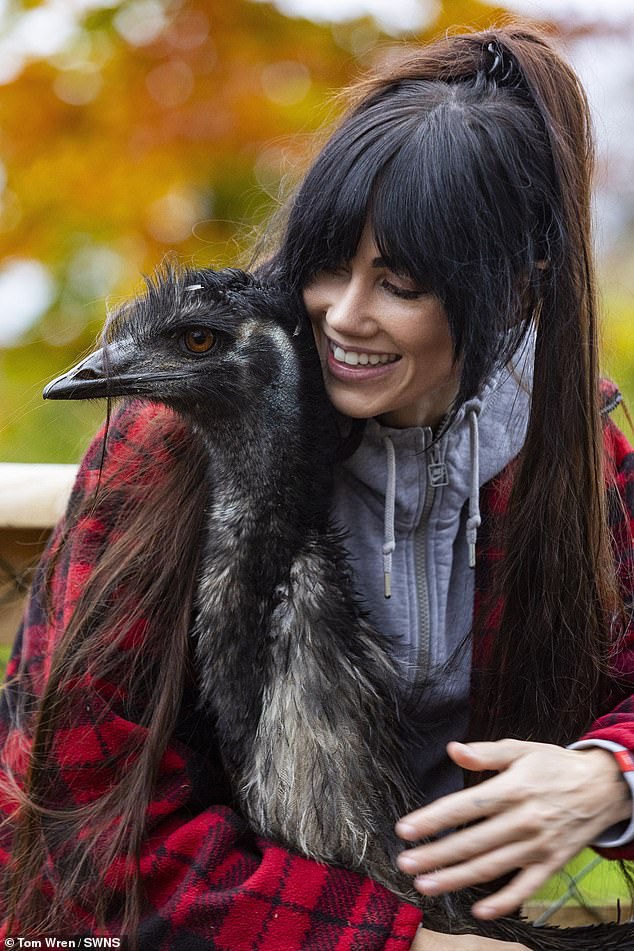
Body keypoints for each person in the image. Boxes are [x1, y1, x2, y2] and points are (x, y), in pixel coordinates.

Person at [1, 21, 633, 951]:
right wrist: (404, 943)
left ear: (514, 286)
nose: (343, 315)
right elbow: (79, 825)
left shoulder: (567, 456)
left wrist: (610, 774)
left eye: (400, 284)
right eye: (329, 264)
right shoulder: (171, 443)